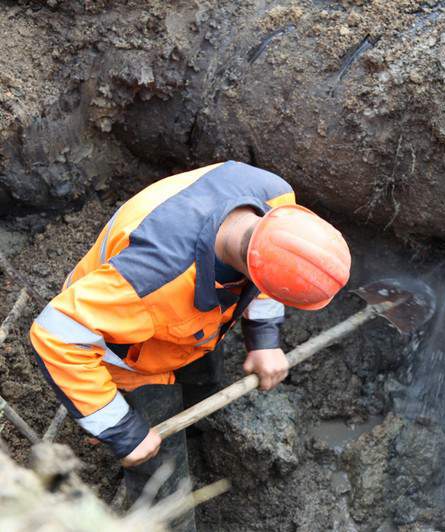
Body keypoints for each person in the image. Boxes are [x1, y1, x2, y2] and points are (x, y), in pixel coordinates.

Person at [29, 161, 351, 529]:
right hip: (124, 346)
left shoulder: (275, 199)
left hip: (194, 325)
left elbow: (268, 272)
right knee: (160, 470)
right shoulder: (152, 277)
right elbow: (55, 335)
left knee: (203, 380)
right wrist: (123, 430)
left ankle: (202, 431)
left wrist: (263, 338)